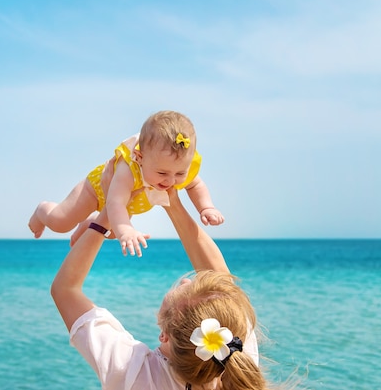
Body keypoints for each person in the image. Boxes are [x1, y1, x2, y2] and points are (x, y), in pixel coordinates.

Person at [51, 189, 275, 390]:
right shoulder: (237, 358)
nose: (187, 282)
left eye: (183, 288)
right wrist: (171, 200)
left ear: (164, 336)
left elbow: (65, 289)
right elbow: (221, 281)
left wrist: (105, 217)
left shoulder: (133, 372)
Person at [29, 110, 224, 257]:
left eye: (179, 173)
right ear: (140, 157)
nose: (171, 181)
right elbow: (115, 203)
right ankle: (42, 210)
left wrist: (206, 208)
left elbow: (195, 185)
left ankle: (90, 224)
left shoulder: (176, 167)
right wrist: (128, 230)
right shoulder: (127, 171)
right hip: (97, 190)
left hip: (124, 204)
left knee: (113, 233)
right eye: (162, 173)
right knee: (61, 222)